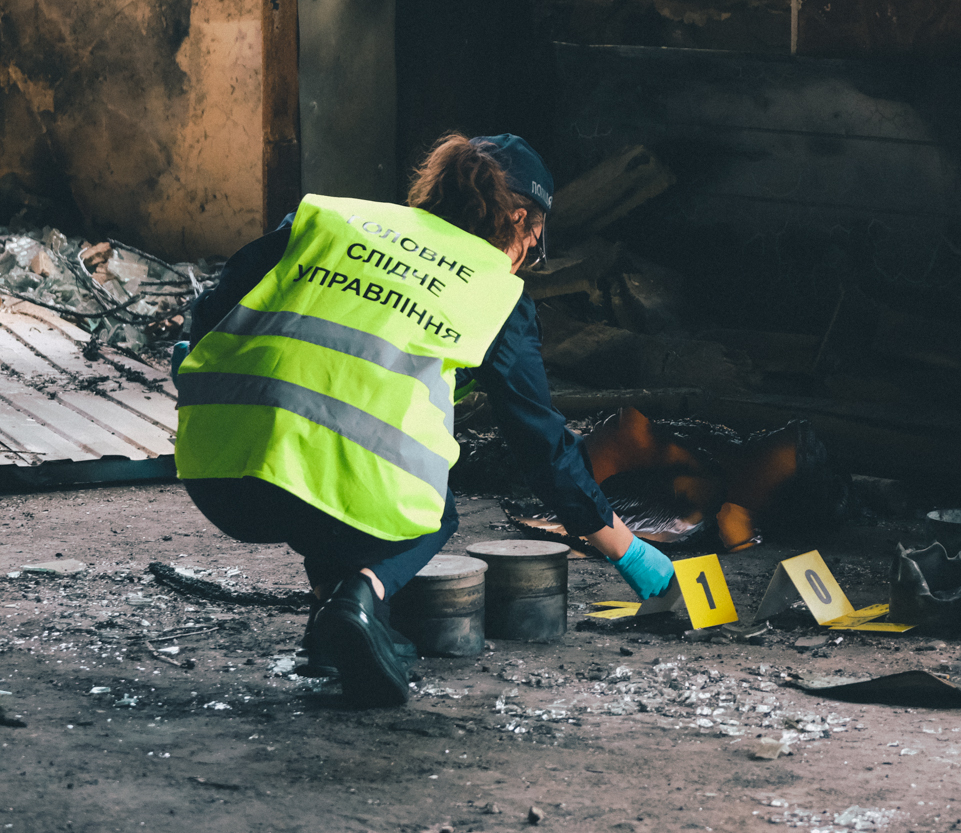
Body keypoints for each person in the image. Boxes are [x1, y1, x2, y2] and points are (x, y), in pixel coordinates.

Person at [172, 133, 675, 707]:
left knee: (323, 470)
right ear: (518, 219)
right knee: (422, 500)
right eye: (533, 241)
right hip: (312, 487)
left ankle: (329, 629)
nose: (527, 257)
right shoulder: (492, 291)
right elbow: (540, 445)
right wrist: (626, 549)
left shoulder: (328, 221)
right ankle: (359, 600)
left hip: (215, 472)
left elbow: (212, 309)